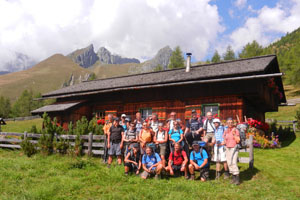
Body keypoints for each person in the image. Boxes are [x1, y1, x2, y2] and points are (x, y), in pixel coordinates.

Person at [223, 117, 241, 185]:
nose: (230, 123)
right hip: (227, 148)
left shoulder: (235, 130)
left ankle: (237, 179)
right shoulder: (226, 130)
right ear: (227, 123)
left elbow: (238, 140)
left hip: (234, 148)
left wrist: (234, 134)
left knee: (233, 162)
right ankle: (233, 177)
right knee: (229, 162)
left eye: (231, 122)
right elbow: (224, 139)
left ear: (233, 123)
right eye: (228, 122)